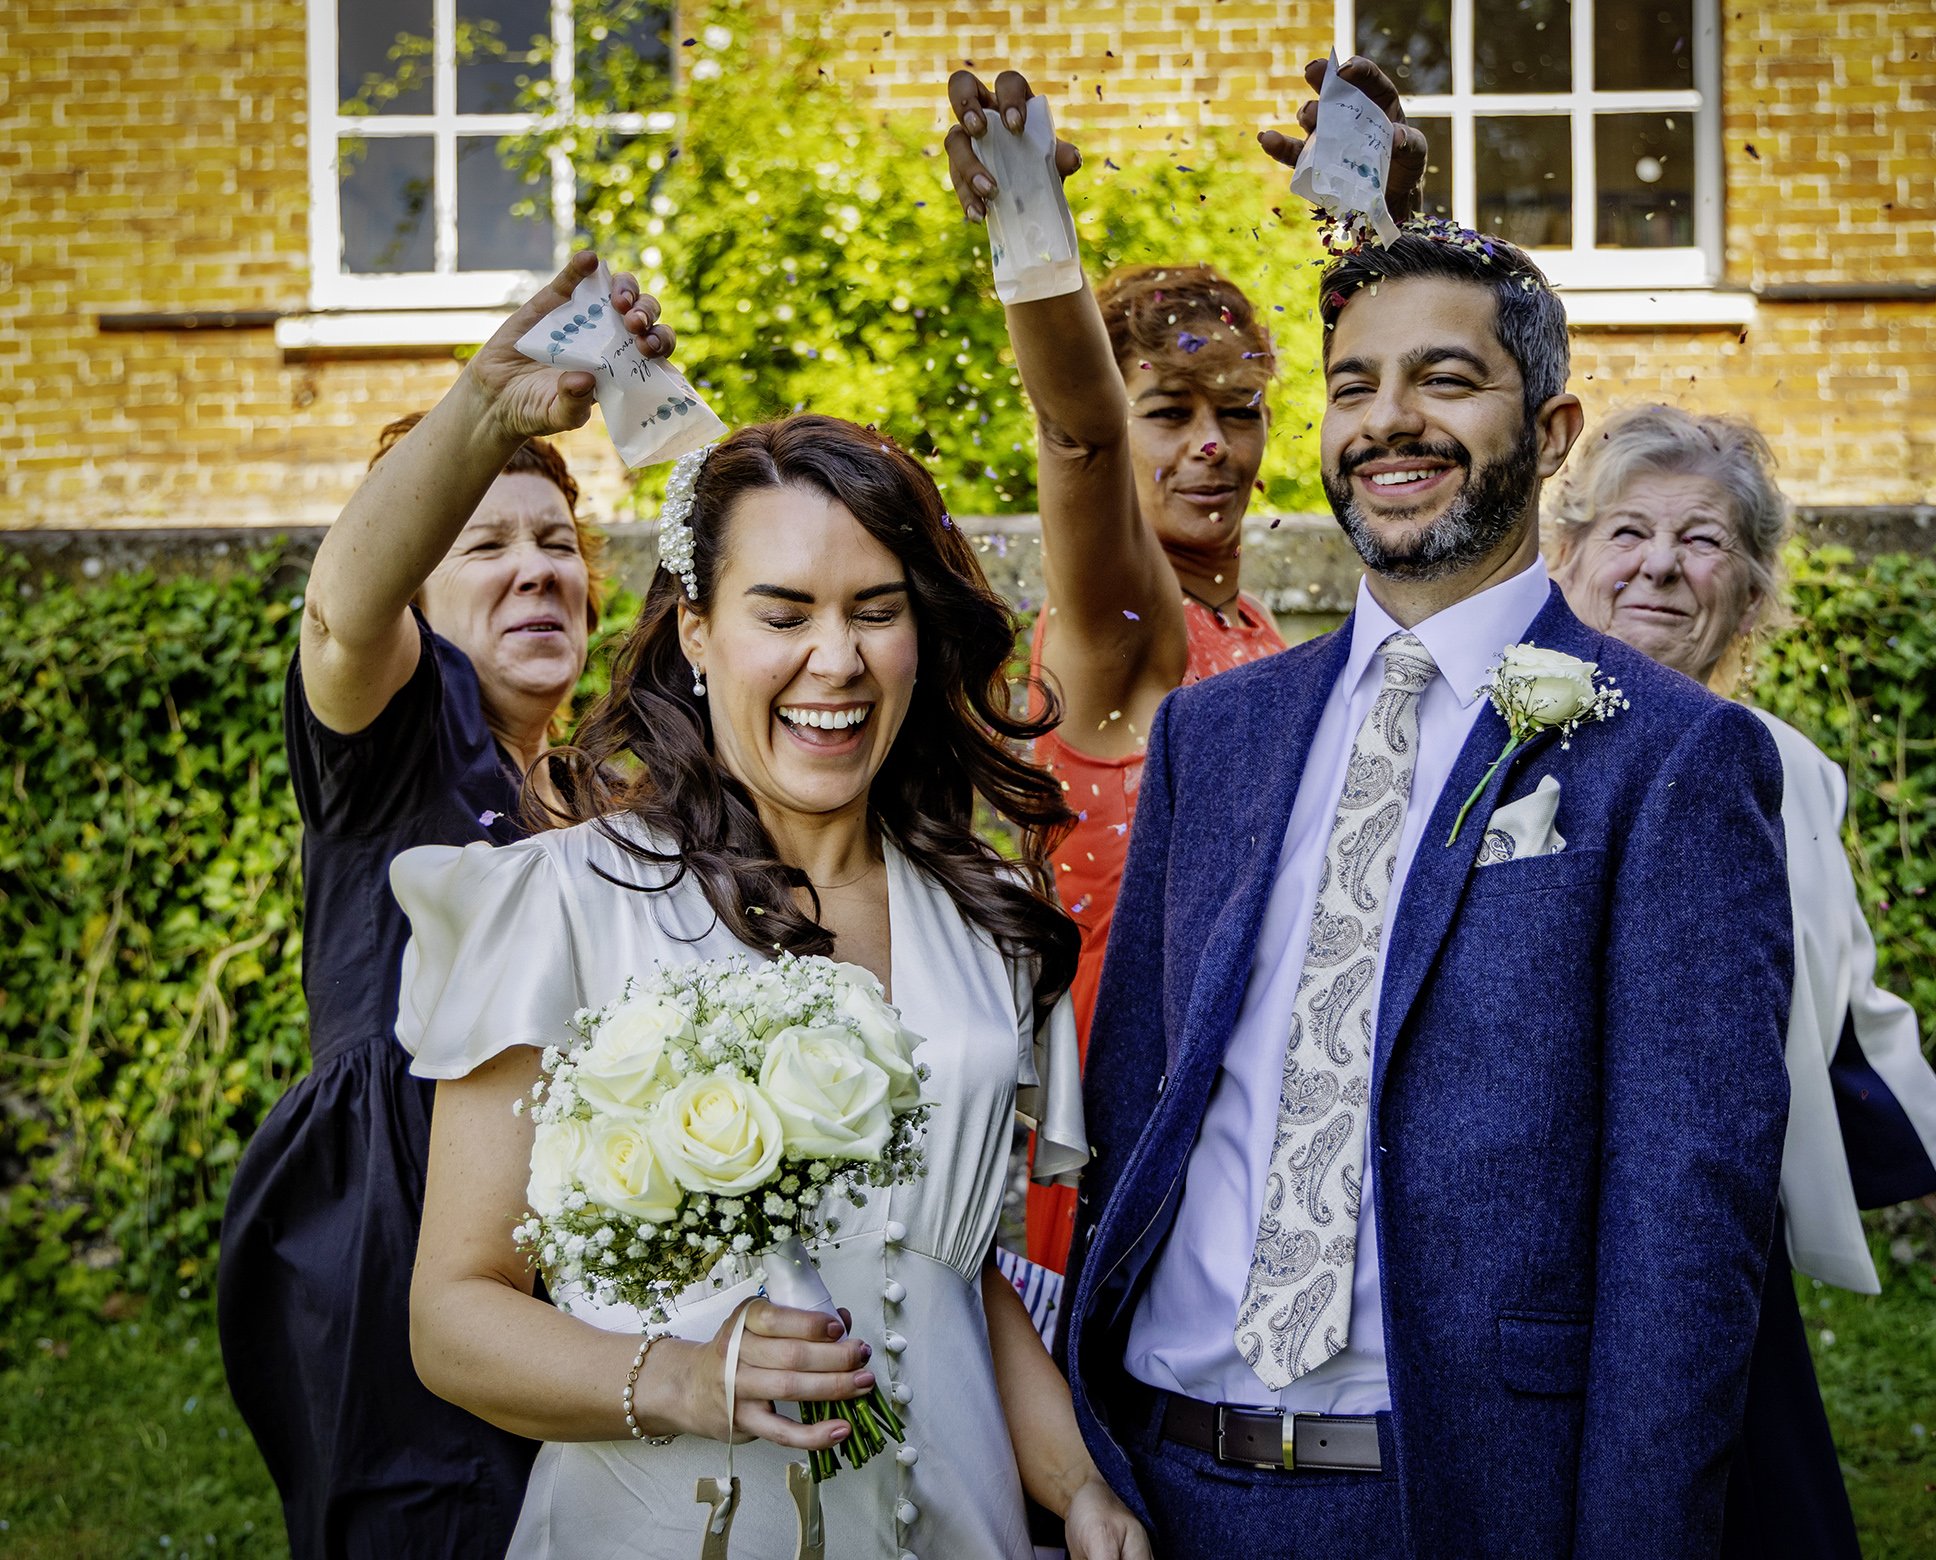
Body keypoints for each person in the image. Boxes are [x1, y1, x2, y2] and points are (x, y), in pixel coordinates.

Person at [1062, 62, 1798, 1556]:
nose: (1388, 422)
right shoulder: (1219, 735)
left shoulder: (1669, 759)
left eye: (1446, 380)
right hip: (1169, 1485)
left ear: (1554, 423)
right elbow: (1137, 1107)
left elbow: (1685, 1228)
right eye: (1351, 386)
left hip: (1452, 1500)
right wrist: (1086, 1461)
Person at [393, 404, 1153, 1558]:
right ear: (695, 630)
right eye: (784, 613)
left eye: (878, 611)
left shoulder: (986, 919)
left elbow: (950, 1273)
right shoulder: (559, 905)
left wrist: (1077, 1487)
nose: (836, 660)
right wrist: (689, 1381)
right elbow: (453, 1318)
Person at [1544, 402, 1936, 1555]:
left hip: (1712, 1268)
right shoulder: (1477, 742)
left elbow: (1861, 1047)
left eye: (1704, 540)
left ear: (1753, 592)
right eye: (1627, 532)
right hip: (1514, 1258)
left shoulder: (1789, 776)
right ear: (1563, 558)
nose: (1662, 564)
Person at [216, 252, 651, 1558]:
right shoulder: (395, 742)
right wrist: (484, 412)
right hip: (402, 1250)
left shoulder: (613, 800)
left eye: (557, 542)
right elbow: (343, 610)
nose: (536, 570)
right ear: (418, 591)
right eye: (484, 544)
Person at [944, 68, 1291, 1275]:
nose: (1211, 444)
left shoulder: (1252, 624)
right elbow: (1077, 433)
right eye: (1172, 411)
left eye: (1239, 410)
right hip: (1132, 1065)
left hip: (1256, 1058)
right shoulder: (1127, 622)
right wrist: (1034, 240)